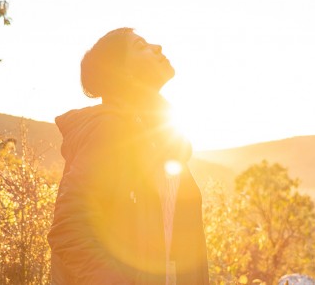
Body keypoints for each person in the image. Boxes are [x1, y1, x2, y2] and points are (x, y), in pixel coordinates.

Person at [47, 28, 210, 284]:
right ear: (121, 72)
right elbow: (69, 228)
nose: (157, 47)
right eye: (140, 45)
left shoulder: (161, 143)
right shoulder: (110, 130)